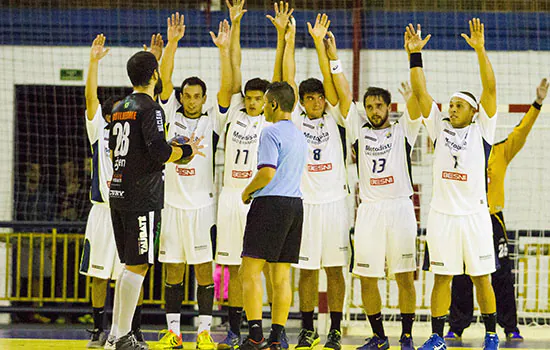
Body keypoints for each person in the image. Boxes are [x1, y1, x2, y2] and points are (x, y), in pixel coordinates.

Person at [406, 19, 500, 350]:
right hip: (443, 215)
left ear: (474, 111)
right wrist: (414, 56)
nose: (452, 108)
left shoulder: (482, 130)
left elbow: (489, 89)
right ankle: (436, 335)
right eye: (452, 105)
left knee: (481, 278)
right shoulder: (440, 127)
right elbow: (419, 92)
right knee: (441, 277)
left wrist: (480, 50)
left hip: (474, 217)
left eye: (459, 105)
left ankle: (491, 334)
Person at [108, 50, 204, 350]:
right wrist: (185, 151)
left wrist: (166, 147)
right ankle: (123, 336)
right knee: (138, 266)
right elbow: (160, 153)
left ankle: (115, 334)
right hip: (142, 195)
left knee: (129, 266)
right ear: (154, 76)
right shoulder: (151, 107)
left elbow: (119, 150)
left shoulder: (120, 107)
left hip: (118, 191)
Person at [445, 78, 548, 342]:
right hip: (464, 217)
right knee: (461, 274)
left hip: (491, 220)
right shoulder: (458, 146)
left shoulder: (500, 151)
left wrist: (537, 103)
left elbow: (521, 131)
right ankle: (456, 326)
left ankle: (509, 326)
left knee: (501, 275)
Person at [156, 13, 231, 349]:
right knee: (173, 273)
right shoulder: (170, 113)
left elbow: (227, 88)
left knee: (203, 273)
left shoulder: (212, 121)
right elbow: (165, 80)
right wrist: (172, 43)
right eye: (187, 95)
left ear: (203, 99)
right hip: (171, 206)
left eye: (196, 95)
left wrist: (224, 50)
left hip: (202, 209)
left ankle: (203, 331)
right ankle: (173, 333)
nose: (190, 99)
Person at [278, 11, 350, 350]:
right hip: (304, 205)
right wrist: (289, 39)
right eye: (309, 98)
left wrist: (321, 44)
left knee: (335, 269)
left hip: (335, 204)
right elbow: (288, 78)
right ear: (302, 103)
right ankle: (308, 329)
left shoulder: (336, 118)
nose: (315, 101)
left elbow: (329, 78)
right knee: (306, 271)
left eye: (319, 97)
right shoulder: (295, 120)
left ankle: (335, 330)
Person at [214, 1, 275, 349]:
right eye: (249, 98)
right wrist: (234, 25)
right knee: (231, 267)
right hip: (230, 195)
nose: (252, 103)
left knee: (259, 267)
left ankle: (259, 327)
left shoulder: (272, 120)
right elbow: (234, 67)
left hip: (258, 197)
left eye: (257, 99)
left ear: (265, 100)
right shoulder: (232, 112)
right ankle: (234, 328)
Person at [347, 82, 421, 350]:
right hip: (369, 209)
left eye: (379, 106)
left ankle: (407, 336)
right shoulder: (358, 130)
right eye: (369, 107)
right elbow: (343, 94)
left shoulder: (403, 130)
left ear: (389, 108)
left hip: (400, 208)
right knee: (367, 277)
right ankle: (379, 337)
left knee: (404, 276)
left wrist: (412, 94)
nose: (374, 111)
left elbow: (416, 109)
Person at [239, 80, 307, 350]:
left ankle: (255, 335)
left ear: (275, 104)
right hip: (295, 205)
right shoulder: (299, 134)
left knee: (250, 272)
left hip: (270, 204)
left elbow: (267, 172)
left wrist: (246, 192)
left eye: (266, 102)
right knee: (281, 277)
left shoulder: (270, 132)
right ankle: (276, 339)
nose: (263, 107)